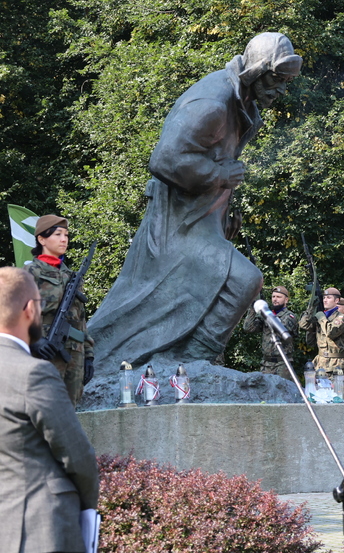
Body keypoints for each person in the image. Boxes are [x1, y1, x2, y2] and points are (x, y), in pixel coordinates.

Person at [88, 33, 302, 370]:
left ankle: (186, 364)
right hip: (176, 223)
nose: (281, 90)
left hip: (201, 220)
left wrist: (222, 217)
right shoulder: (213, 103)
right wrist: (219, 176)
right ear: (257, 71)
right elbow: (165, 159)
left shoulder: (243, 105)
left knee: (211, 288)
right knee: (243, 280)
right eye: (277, 78)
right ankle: (190, 362)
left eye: (286, 82)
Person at [0, 267, 99, 553]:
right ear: (30, 310)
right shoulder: (33, 373)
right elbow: (78, 456)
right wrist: (89, 511)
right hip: (37, 530)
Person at [26, 214, 95, 406]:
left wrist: (88, 355)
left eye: (66, 235)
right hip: (45, 351)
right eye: (58, 234)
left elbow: (80, 320)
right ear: (42, 239)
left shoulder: (70, 276)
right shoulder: (31, 272)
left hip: (74, 354)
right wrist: (34, 341)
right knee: (44, 409)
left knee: (69, 412)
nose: (64, 239)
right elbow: (14, 314)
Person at [299, 287, 344, 399]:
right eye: (324, 298)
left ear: (336, 301)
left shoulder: (341, 318)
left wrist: (321, 317)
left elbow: (331, 332)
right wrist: (311, 308)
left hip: (337, 364)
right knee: (319, 396)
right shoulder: (323, 316)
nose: (325, 300)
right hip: (321, 363)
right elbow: (304, 325)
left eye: (329, 298)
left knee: (339, 396)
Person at [242, 285, 299, 379]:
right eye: (273, 297)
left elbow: (280, 330)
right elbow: (248, 328)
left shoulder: (289, 316)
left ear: (286, 300)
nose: (275, 299)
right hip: (266, 364)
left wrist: (266, 314)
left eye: (279, 297)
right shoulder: (267, 314)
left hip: (282, 364)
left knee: (281, 388)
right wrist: (253, 307)